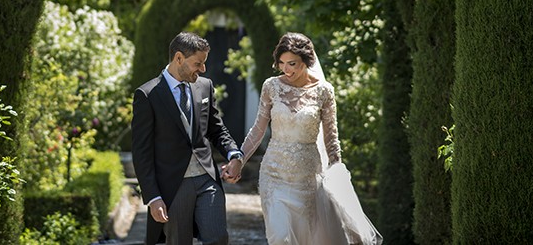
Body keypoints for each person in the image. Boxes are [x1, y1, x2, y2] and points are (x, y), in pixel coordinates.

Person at [238, 32, 382, 245]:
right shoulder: (271, 86)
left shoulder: (324, 91)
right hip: (274, 174)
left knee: (304, 238)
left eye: (292, 63)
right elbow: (257, 130)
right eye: (282, 63)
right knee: (280, 237)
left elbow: (331, 137)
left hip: (307, 179)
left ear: (307, 61)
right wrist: (238, 160)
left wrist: (337, 171)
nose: (286, 69)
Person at [131, 32, 244, 245]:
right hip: (173, 185)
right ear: (179, 58)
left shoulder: (205, 86)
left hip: (206, 178)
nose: (203, 69)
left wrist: (234, 155)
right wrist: (153, 197)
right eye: (198, 63)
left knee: (218, 238)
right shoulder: (147, 95)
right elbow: (141, 152)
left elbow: (216, 129)